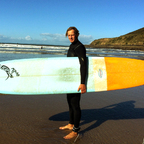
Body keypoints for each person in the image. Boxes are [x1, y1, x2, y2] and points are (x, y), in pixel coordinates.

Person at [59, 27, 87, 139]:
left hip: (77, 81)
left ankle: (75, 131)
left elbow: (83, 65)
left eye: (72, 35)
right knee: (70, 103)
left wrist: (82, 83)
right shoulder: (72, 46)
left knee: (75, 105)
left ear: (77, 34)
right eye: (69, 35)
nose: (70, 37)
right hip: (70, 80)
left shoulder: (80, 47)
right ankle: (71, 124)